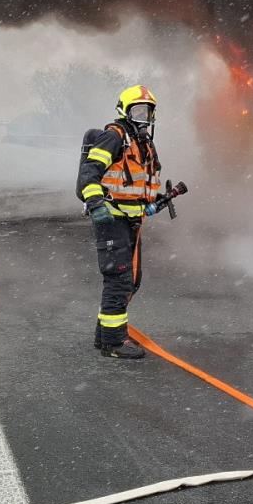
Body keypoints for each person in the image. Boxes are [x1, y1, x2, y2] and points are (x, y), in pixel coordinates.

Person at [76, 85, 164, 359]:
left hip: (131, 221)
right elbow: (89, 175)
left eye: (147, 112)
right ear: (124, 111)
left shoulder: (144, 145)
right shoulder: (114, 138)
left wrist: (154, 202)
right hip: (110, 218)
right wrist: (95, 204)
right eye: (137, 110)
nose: (143, 117)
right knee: (118, 278)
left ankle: (104, 335)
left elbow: (137, 185)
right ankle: (114, 343)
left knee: (131, 280)